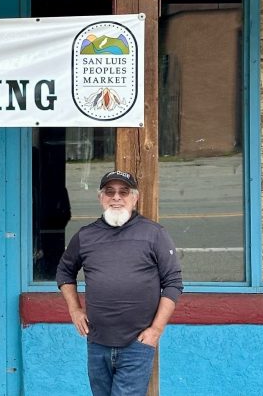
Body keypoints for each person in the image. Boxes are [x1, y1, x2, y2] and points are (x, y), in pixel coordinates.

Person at [56, 169, 183, 396]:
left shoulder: (154, 234)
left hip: (137, 343)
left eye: (124, 192)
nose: (116, 197)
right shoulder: (85, 236)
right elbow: (65, 272)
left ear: (134, 198)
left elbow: (173, 283)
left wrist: (156, 329)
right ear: (100, 198)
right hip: (97, 343)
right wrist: (75, 310)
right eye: (110, 192)